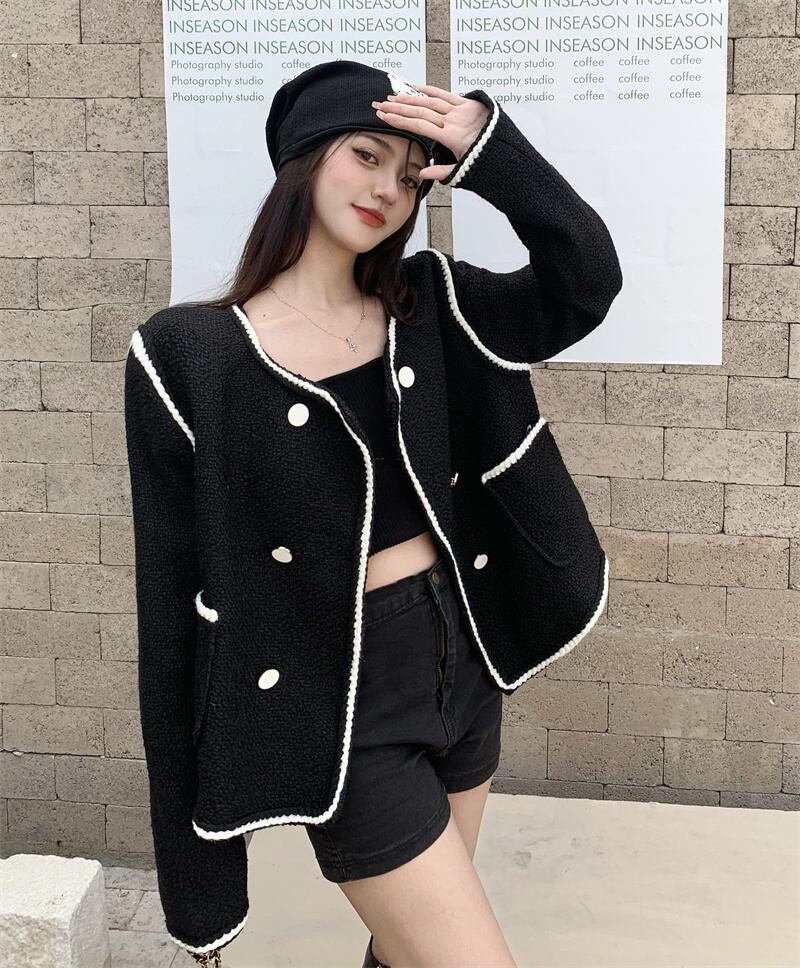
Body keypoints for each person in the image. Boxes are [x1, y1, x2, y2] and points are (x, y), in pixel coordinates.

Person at [123, 59, 623, 967]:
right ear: (306, 156)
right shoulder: (188, 356)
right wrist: (198, 885)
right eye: (366, 154)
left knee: (408, 953)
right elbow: (169, 613)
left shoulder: (431, 305)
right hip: (342, 700)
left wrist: (491, 150)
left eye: (410, 174)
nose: (389, 188)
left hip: (462, 662)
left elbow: (584, 283)